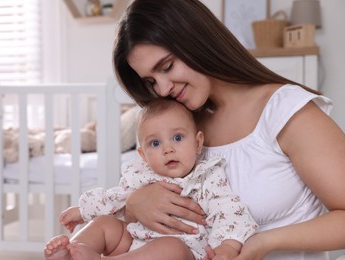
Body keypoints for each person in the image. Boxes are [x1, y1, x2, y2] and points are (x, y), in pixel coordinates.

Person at [112, 0, 345, 259]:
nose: (163, 89)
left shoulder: (285, 112)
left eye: (167, 67)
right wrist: (133, 204)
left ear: (196, 39)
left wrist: (264, 242)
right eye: (151, 81)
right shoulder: (179, 127)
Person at [44, 98, 258, 260]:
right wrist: (82, 211)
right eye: (155, 143)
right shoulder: (141, 176)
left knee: (171, 248)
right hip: (133, 244)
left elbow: (230, 211)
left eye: (177, 137)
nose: (168, 149)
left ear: (197, 143)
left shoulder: (206, 178)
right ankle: (76, 251)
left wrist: (228, 247)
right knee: (104, 223)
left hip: (183, 250)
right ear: (143, 155)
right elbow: (115, 198)